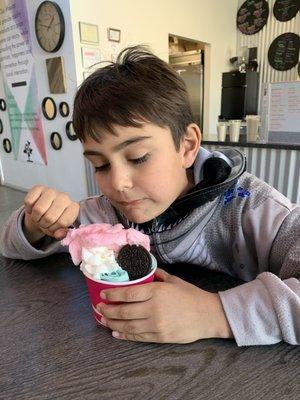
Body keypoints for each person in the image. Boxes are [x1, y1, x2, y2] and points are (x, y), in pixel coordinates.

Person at [1, 46, 299, 346]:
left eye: (138, 157)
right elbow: (10, 245)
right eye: (100, 164)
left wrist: (213, 313)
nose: (117, 183)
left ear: (186, 146)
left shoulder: (253, 209)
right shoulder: (103, 217)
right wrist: (36, 223)